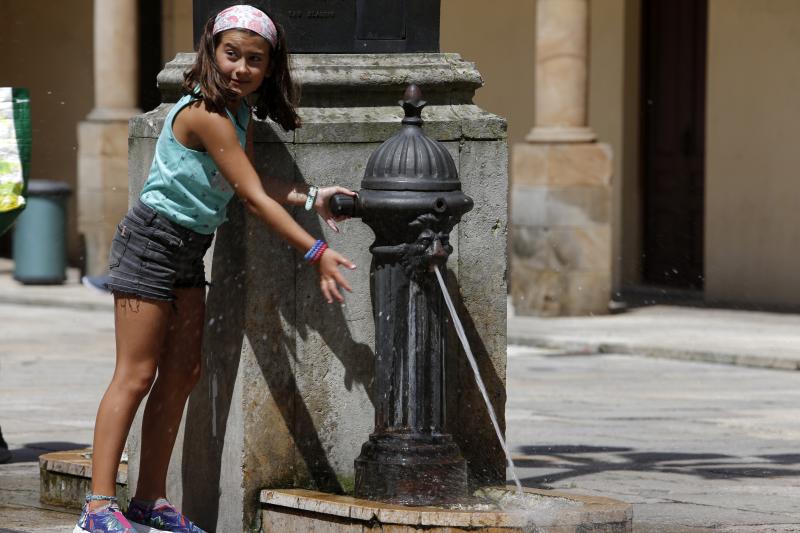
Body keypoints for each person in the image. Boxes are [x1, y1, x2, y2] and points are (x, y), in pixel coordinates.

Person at [73, 6, 356, 533]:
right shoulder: (204, 112)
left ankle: (149, 500)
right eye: (232, 54)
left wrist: (313, 196)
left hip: (186, 250)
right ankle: (98, 507)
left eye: (255, 59)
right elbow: (250, 194)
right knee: (135, 375)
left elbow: (247, 183)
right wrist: (315, 253)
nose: (240, 68)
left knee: (183, 373)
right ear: (211, 52)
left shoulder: (238, 115)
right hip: (150, 243)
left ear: (270, 67)